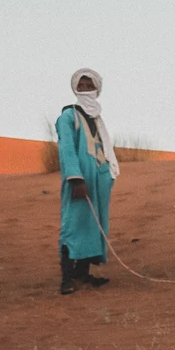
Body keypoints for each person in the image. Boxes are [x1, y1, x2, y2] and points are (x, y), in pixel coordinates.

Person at [56, 68, 120, 294]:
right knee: (73, 225)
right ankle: (67, 279)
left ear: (97, 88)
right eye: (81, 86)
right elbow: (67, 150)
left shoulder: (96, 118)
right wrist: (75, 179)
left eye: (89, 86)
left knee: (93, 225)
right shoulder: (68, 117)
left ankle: (82, 273)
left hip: (99, 180)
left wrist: (107, 175)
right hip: (80, 180)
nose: (85, 90)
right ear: (75, 89)